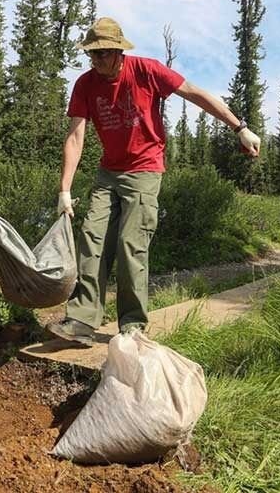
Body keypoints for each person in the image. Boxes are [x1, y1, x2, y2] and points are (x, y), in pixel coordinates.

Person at [47, 17, 260, 346]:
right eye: (92, 54)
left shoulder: (146, 71)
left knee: (131, 244)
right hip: (108, 172)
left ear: (119, 51)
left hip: (144, 169)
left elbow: (195, 93)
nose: (97, 60)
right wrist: (64, 189)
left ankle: (132, 326)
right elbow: (75, 137)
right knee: (92, 238)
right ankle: (81, 321)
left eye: (103, 53)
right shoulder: (85, 84)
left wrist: (239, 128)